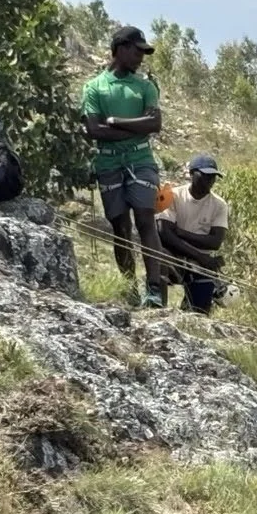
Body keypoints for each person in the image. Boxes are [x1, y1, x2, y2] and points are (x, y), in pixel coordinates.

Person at [81, 25, 165, 308]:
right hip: (108, 163)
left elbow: (155, 124)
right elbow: (94, 129)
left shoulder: (145, 86)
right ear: (120, 48)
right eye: (137, 51)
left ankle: (154, 289)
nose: (141, 57)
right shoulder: (94, 87)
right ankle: (129, 290)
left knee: (145, 219)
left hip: (141, 161)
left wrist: (117, 122)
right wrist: (135, 128)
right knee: (120, 226)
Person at [156, 154, 229, 314]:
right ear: (191, 174)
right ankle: (157, 308)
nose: (209, 180)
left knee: (198, 314)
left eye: (213, 176)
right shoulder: (173, 195)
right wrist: (199, 255)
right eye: (205, 175)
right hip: (175, 255)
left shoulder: (219, 205)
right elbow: (164, 233)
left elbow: (215, 242)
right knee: (159, 257)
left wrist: (180, 232)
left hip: (200, 264)